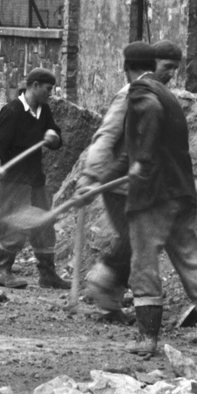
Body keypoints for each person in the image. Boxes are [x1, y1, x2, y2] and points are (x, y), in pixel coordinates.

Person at [122, 39, 197, 359]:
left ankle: (147, 337)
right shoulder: (169, 96)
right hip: (182, 192)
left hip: (154, 195)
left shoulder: (143, 91)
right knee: (189, 260)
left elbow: (148, 117)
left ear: (128, 69)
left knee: (143, 263)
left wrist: (141, 160)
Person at [73, 45, 148, 319]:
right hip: (117, 185)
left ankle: (111, 300)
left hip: (140, 184)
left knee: (139, 241)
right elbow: (105, 136)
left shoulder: (153, 95)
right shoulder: (127, 96)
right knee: (133, 239)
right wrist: (91, 177)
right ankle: (101, 282)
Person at [0, 67, 67, 289]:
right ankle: (2, 271)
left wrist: (54, 137)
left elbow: (56, 137)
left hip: (35, 178)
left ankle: (48, 275)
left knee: (44, 223)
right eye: (48, 89)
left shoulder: (44, 111)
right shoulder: (12, 111)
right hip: (14, 178)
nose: (51, 93)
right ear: (35, 86)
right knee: (16, 223)